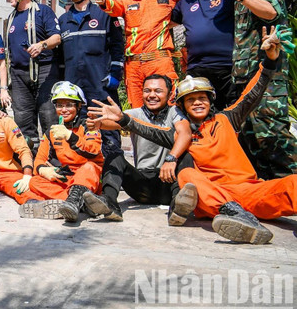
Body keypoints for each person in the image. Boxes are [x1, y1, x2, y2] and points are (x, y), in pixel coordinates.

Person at [169, 27, 297, 244]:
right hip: (216, 198)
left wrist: (269, 61)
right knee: (187, 176)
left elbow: (252, 95)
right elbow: (144, 127)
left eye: (202, 98)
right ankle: (236, 217)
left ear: (210, 102)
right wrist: (123, 120)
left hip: (251, 191)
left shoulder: (227, 118)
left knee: (293, 183)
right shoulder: (180, 132)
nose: (198, 102)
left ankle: (245, 220)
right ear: (183, 105)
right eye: (191, 100)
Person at [211, 0, 295, 179]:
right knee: (252, 138)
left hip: (268, 77)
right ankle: (273, 194)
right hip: (246, 79)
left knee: (273, 136)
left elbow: (272, 12)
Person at [83, 75, 194, 224]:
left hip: (170, 182)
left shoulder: (175, 112)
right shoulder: (135, 114)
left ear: (169, 93)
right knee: (115, 154)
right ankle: (109, 202)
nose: (152, 95)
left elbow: (185, 134)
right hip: (143, 187)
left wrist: (171, 158)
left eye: (158, 91)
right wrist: (97, 124)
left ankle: (177, 209)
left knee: (186, 154)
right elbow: (113, 122)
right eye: (147, 90)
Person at [95, 0, 183, 108]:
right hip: (134, 65)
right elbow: (111, 6)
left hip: (160, 60)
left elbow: (192, 8)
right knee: (137, 113)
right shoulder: (126, 1)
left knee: (170, 109)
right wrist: (102, 0)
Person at [58, 0, 125, 158]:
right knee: (78, 132)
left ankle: (111, 174)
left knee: (108, 131)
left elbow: (118, 48)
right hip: (75, 89)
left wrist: (114, 75)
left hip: (100, 86)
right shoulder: (63, 20)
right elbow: (61, 56)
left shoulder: (104, 15)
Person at [18, 82, 104, 222]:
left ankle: (73, 202)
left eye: (69, 105)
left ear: (79, 106)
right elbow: (39, 159)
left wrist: (71, 137)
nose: (64, 109)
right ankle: (80, 203)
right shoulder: (52, 132)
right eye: (59, 105)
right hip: (67, 176)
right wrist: (44, 170)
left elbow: (93, 151)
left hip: (88, 177)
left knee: (88, 167)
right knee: (34, 182)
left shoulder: (89, 126)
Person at [171, 0, 235, 109]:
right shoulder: (186, 1)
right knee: (203, 121)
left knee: (236, 117)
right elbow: (166, 22)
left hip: (231, 67)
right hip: (198, 71)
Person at [3, 0, 61, 150]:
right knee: (23, 119)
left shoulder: (42, 11)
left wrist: (42, 45)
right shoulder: (11, 17)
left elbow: (57, 38)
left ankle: (53, 161)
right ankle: (31, 160)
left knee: (48, 117)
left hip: (44, 71)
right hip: (19, 75)